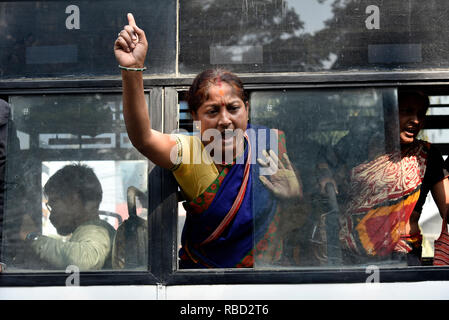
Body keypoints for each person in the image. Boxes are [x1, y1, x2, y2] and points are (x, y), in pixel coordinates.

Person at [114, 13, 303, 268]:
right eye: (212, 111)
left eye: (233, 108)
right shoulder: (190, 152)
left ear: (246, 109)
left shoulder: (267, 146)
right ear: (195, 117)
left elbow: (300, 224)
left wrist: (295, 196)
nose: (224, 120)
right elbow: (144, 139)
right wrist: (132, 69)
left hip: (265, 282)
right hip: (200, 283)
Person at [336, 90, 449, 265]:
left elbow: (447, 207)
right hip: (350, 258)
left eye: (420, 114)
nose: (416, 120)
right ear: (388, 115)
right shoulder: (353, 147)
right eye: (407, 112)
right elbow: (325, 173)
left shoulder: (427, 154)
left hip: (403, 256)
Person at [19, 164, 116, 270]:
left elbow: (85, 260)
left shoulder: (95, 231)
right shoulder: (90, 231)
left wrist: (32, 237)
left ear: (73, 199)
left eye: (54, 203)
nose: (51, 215)